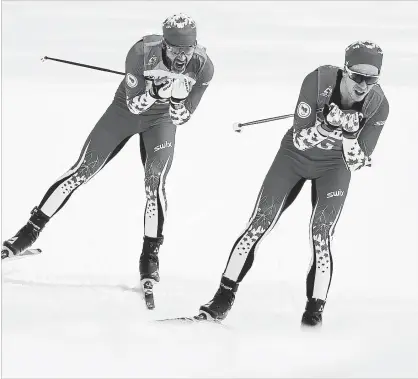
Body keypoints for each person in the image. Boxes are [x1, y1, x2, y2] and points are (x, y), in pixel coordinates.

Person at [2, 13, 214, 303]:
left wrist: (176, 100)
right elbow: (134, 105)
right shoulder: (141, 52)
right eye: (175, 50)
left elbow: (183, 116)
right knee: (80, 171)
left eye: (186, 51)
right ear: (164, 44)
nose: (181, 58)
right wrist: (156, 89)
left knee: (155, 185)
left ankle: (150, 255)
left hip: (161, 122)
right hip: (123, 114)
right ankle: (28, 232)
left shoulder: (203, 66)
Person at [198, 41, 389, 327]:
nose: (363, 85)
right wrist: (326, 127)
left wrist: (349, 137)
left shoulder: (378, 105)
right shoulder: (319, 80)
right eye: (357, 76)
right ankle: (223, 297)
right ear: (345, 70)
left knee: (321, 237)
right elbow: (300, 139)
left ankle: (314, 313)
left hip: (334, 166)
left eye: (371, 79)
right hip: (293, 157)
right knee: (259, 224)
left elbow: (357, 162)